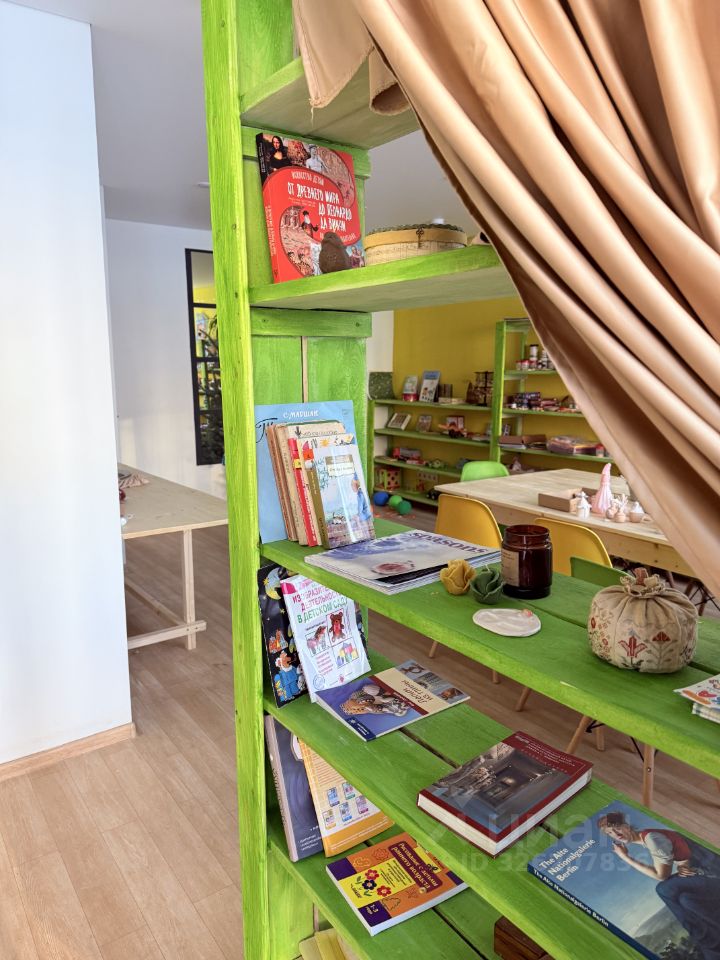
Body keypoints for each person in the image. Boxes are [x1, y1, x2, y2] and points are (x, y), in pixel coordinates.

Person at [599, 810, 720, 960]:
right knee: (686, 900)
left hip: (713, 875)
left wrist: (625, 857)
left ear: (626, 826)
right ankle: (715, 950)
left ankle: (709, 945)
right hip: (704, 875)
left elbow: (661, 875)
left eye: (617, 828)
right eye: (610, 833)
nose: (616, 834)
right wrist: (683, 865)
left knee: (663, 888)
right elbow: (683, 855)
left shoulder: (652, 838)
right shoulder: (649, 838)